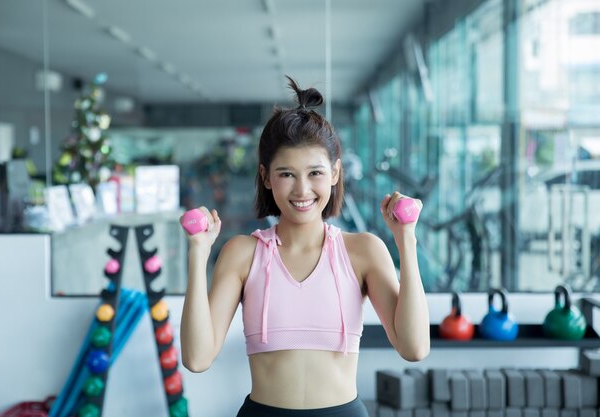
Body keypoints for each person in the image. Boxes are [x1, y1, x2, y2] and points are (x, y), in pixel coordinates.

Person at [179, 76, 430, 416]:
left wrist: (407, 241)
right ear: (267, 177)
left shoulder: (363, 251)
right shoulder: (242, 254)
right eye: (286, 174)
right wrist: (197, 252)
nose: (301, 190)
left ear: (335, 173)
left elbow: (414, 347)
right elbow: (197, 358)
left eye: (314, 173)